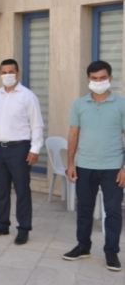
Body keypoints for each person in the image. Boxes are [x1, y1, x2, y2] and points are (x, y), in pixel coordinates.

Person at [63, 60, 125, 271]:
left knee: (113, 211)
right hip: (85, 165)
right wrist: (70, 163)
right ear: (88, 79)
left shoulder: (121, 104)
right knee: (84, 209)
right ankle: (83, 246)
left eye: (103, 78)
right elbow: (73, 134)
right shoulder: (79, 104)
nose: (99, 82)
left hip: (113, 167)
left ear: (110, 78)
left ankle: (111, 252)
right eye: (94, 78)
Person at [0, 59, 44, 245]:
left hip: (19, 149)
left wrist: (35, 149)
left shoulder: (27, 96)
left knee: (22, 190)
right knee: (1, 190)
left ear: (18, 73)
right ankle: (2, 224)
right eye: (4, 72)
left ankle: (23, 228)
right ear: (0, 74)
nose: (7, 75)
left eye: (11, 71)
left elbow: (37, 124)